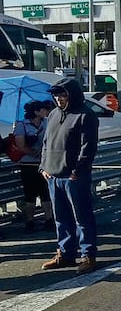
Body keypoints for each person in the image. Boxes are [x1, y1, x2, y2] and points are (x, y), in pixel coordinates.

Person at [39, 77, 100, 275]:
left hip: (74, 176)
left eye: (62, 95)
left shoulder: (86, 115)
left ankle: (88, 255)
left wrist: (78, 171)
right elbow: (46, 142)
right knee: (61, 217)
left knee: (82, 216)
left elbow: (88, 147)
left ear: (72, 94)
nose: (59, 99)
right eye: (56, 95)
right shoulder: (53, 114)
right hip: (53, 174)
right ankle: (65, 254)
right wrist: (43, 166)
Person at [13, 99, 55, 232]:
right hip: (28, 163)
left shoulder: (46, 122)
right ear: (36, 112)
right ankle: (30, 221)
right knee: (30, 194)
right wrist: (34, 153)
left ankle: (49, 219)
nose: (46, 111)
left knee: (45, 192)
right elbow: (20, 145)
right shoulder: (22, 125)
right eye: (43, 109)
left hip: (44, 163)